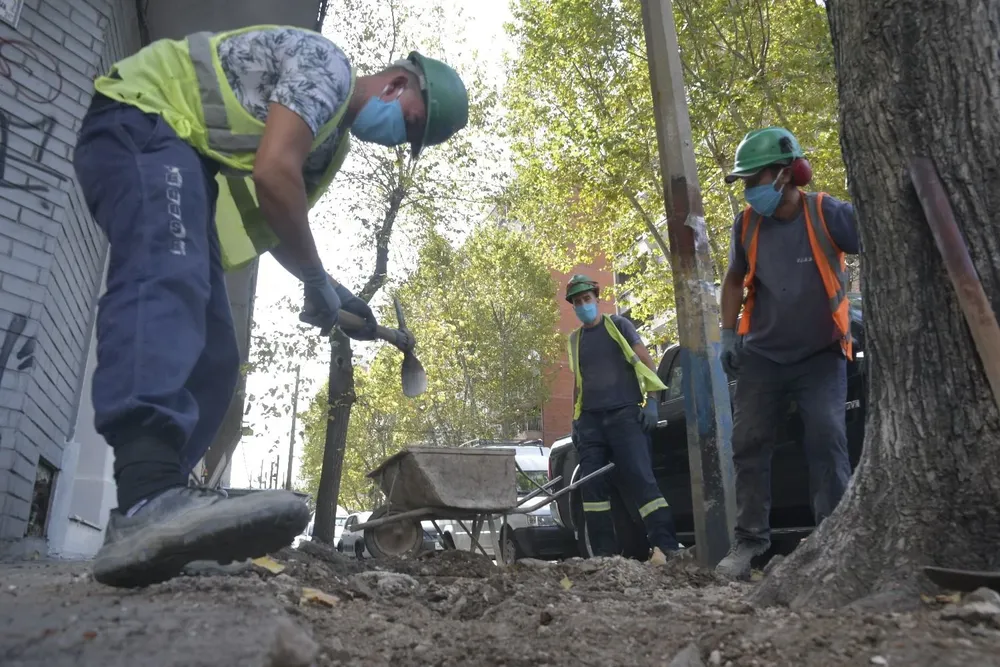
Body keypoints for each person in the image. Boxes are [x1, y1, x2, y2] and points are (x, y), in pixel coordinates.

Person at [73, 25, 468, 588]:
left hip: (183, 156)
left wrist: (328, 289)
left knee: (214, 352)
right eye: (409, 123)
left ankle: (159, 518)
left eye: (410, 141)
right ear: (398, 83)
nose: (399, 139)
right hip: (142, 120)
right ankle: (147, 497)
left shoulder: (329, 141)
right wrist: (315, 279)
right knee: (167, 274)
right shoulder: (327, 68)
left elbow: (274, 218)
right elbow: (272, 175)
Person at [714, 127, 860, 579]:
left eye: (753, 180)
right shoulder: (747, 224)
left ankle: (832, 539)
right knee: (749, 444)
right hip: (763, 356)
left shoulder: (827, 213)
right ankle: (748, 543)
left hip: (821, 354)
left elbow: (879, 238)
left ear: (785, 174)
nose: (748, 191)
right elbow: (735, 280)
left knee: (826, 437)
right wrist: (727, 334)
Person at [565, 274, 682, 564]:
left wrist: (652, 401)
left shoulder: (618, 326)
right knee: (591, 487)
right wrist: (575, 421)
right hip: (591, 422)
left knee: (641, 479)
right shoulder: (575, 340)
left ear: (597, 298)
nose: (583, 306)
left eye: (586, 299)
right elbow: (579, 383)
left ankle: (665, 547)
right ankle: (603, 556)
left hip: (624, 415)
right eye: (577, 302)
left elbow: (645, 361)